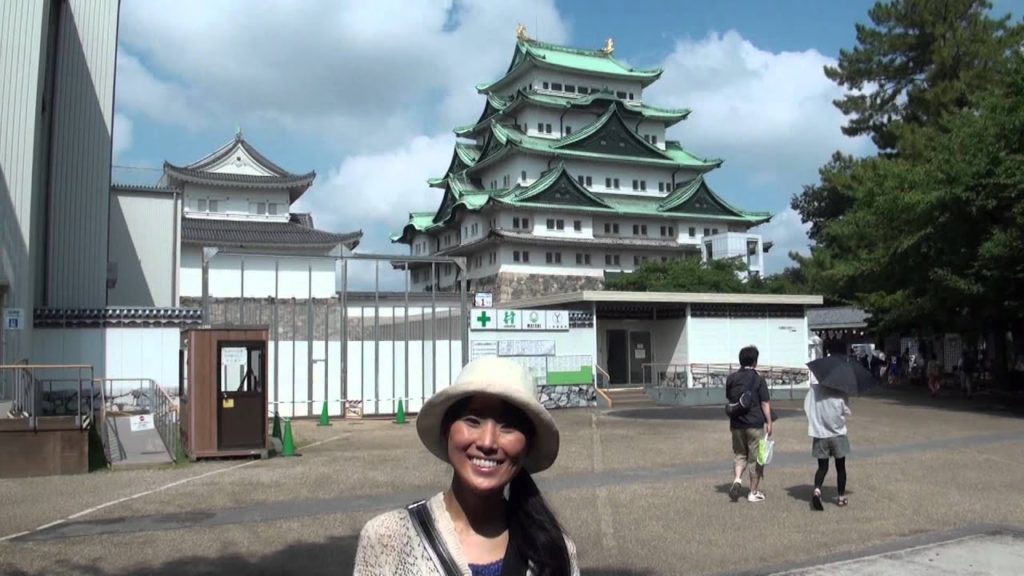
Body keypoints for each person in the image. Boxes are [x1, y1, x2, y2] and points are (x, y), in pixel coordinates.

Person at [353, 357, 579, 576]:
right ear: (446, 432)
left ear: (527, 446)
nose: (488, 442)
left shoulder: (554, 552)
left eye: (508, 426)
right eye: (473, 421)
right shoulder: (386, 539)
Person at [726, 345, 773, 503]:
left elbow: (729, 398)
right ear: (755, 362)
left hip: (737, 423)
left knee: (740, 454)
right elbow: (765, 403)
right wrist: (769, 422)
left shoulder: (731, 378)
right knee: (756, 458)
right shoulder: (759, 380)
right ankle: (753, 492)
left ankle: (737, 479)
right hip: (754, 423)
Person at [803, 383, 852, 510]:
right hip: (838, 434)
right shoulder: (841, 391)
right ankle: (841, 498)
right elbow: (846, 410)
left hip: (820, 433)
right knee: (840, 467)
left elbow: (807, 406)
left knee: (822, 467)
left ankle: (817, 491)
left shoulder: (815, 390)